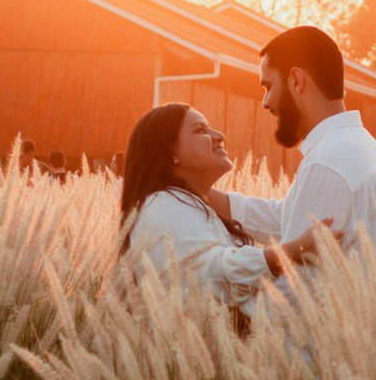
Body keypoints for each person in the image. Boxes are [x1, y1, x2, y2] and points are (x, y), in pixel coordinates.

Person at [120, 102, 339, 321]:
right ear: (171, 152)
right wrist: (292, 252)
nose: (220, 135)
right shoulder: (163, 206)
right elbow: (212, 276)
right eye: (200, 130)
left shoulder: (183, 204)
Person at [207, 26, 376, 279]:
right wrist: (197, 191)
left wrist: (229, 309)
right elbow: (286, 219)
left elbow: (296, 288)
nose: (265, 102)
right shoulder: (361, 144)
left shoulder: (330, 159)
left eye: (268, 86)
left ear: (296, 80)